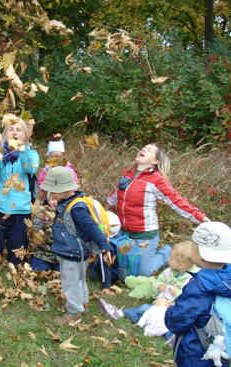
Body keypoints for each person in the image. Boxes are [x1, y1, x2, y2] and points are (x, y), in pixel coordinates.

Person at [107, 143, 209, 277]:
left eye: (149, 150)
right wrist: (104, 208)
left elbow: (177, 201)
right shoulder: (127, 174)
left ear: (155, 161)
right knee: (124, 272)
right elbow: (115, 195)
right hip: (124, 233)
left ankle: (167, 252)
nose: (143, 149)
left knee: (143, 273)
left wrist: (201, 218)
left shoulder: (156, 179)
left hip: (145, 235)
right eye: (143, 148)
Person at [40, 166, 111, 324]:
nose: (50, 194)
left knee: (70, 282)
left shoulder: (76, 208)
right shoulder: (69, 202)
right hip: (76, 252)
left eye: (53, 191)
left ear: (62, 189)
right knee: (79, 279)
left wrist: (105, 246)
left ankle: (74, 312)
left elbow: (91, 228)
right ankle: (83, 303)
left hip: (73, 253)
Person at [165, 221, 231, 367]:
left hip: (196, 352)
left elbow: (178, 320)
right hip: (222, 347)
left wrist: (169, 313)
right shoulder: (228, 277)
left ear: (200, 255)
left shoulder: (200, 286)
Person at [99, 241, 198, 328]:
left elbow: (190, 297)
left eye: (171, 258)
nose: (168, 260)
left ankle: (121, 313)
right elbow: (158, 280)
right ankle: (121, 312)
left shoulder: (192, 279)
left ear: (180, 265)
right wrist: (159, 286)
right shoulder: (169, 271)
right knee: (148, 307)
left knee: (145, 309)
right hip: (161, 302)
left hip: (174, 309)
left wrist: (175, 293)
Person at [0, 119, 39, 265]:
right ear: (4, 134)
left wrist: (23, 146)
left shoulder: (31, 153)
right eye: (10, 129)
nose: (14, 132)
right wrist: (1, 144)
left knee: (17, 261)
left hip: (20, 211)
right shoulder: (0, 151)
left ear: (25, 134)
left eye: (19, 129)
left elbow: (30, 168)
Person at [37, 134, 78, 203]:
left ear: (62, 156)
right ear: (49, 156)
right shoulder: (47, 169)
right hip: (50, 197)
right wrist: (45, 190)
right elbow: (41, 181)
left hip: (65, 197)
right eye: (52, 156)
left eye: (58, 156)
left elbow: (74, 181)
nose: (55, 158)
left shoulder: (68, 168)